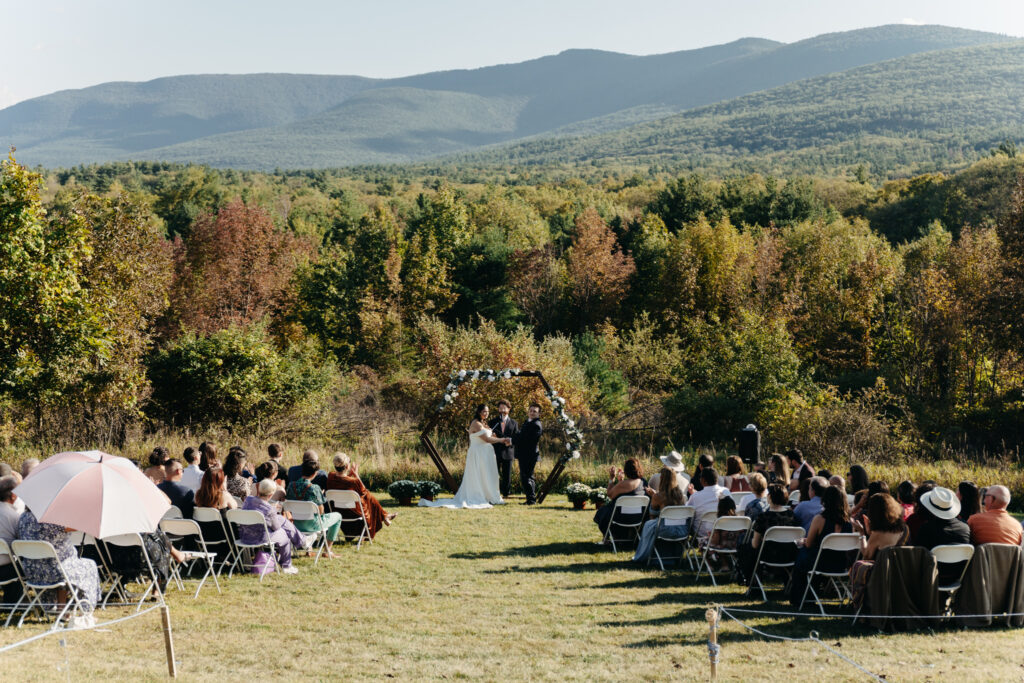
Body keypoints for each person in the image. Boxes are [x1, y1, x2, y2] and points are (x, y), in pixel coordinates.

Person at [16, 508, 101, 619]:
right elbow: (73, 527)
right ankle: (85, 609)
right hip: (55, 572)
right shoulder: (53, 519)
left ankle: (62, 609)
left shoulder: (23, 518)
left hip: (32, 572)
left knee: (63, 564)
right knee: (90, 565)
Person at [421, 404, 508, 509]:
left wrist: (495, 437)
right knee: (478, 475)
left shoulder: (484, 423)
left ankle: (489, 495)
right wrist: (502, 440)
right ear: (479, 412)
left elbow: (490, 437)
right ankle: (478, 495)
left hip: (486, 453)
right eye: (484, 411)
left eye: (488, 411)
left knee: (487, 474)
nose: (486, 413)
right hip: (478, 453)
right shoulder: (476, 423)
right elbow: (486, 439)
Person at [789, 485, 852, 607]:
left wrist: (803, 541)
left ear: (825, 500)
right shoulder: (849, 522)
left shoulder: (819, 519)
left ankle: (799, 598)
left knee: (801, 556)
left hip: (820, 563)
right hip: (841, 564)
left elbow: (809, 543)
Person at [849, 493, 909, 609]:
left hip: (883, 575)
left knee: (858, 566)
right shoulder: (905, 529)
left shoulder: (878, 534)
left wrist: (862, 533)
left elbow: (867, 555)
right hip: (903, 573)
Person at [241, 479, 308, 575]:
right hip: (260, 537)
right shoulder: (269, 509)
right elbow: (276, 528)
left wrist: (273, 513)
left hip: (245, 535)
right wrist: (273, 511)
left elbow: (259, 508)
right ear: (270, 495)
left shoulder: (248, 500)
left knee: (280, 518)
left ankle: (302, 540)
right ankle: (287, 565)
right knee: (284, 534)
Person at [737, 483, 797, 586]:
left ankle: (751, 581)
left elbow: (755, 544)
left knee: (745, 547)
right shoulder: (792, 516)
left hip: (768, 555)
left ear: (769, 497)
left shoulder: (763, 517)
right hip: (789, 555)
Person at [324, 452, 395, 538]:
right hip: (354, 513)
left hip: (339, 510)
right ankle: (384, 516)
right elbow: (363, 491)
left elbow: (342, 480)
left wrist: (351, 475)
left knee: (367, 496)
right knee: (368, 496)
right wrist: (356, 474)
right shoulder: (354, 481)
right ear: (346, 466)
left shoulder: (331, 476)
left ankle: (385, 516)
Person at [286, 460, 343, 556]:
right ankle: (327, 550)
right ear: (315, 473)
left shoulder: (291, 485)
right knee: (338, 516)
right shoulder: (314, 488)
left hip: (296, 523)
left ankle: (310, 550)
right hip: (312, 524)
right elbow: (321, 511)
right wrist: (319, 494)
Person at [632, 467, 686, 563]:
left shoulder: (658, 496)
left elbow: (652, 516)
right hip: (681, 529)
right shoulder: (681, 495)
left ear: (662, 479)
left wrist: (654, 496)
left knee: (648, 524)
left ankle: (645, 554)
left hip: (665, 530)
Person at [593, 458, 646, 536]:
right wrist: (621, 481)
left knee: (602, 511)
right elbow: (630, 493)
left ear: (626, 470)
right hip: (638, 517)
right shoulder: (643, 482)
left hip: (621, 517)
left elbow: (610, 494)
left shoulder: (623, 484)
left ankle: (607, 537)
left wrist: (612, 478)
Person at [511, 403, 543, 505]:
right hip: (524, 454)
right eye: (531, 411)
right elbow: (521, 434)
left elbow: (525, 439)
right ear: (528, 411)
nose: (532, 413)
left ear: (539, 414)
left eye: (535, 411)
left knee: (527, 476)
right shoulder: (528, 422)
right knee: (526, 476)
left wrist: (511, 440)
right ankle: (530, 498)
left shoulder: (536, 425)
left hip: (529, 455)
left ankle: (531, 500)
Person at [0, 476, 24, 605]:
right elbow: (22, 542)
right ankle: (13, 604)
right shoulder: (14, 516)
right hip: (6, 569)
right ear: (13, 495)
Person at [687, 468, 728, 540]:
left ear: (703, 480)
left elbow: (687, 513)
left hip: (702, 533)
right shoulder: (726, 492)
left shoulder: (695, 497)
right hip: (722, 530)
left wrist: (695, 495)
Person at [489, 399, 518, 499]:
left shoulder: (514, 423)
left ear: (509, 409)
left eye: (504, 408)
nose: (502, 410)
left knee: (507, 475)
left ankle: (506, 493)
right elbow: (489, 435)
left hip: (508, 451)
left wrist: (510, 442)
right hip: (495, 451)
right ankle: (494, 492)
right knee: (494, 473)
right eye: (500, 408)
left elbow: (516, 436)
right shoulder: (493, 422)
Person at [705, 496, 742, 571]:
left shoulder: (720, 521)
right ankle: (725, 564)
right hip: (737, 545)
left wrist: (711, 536)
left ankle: (711, 566)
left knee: (703, 542)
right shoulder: (740, 519)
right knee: (722, 543)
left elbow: (715, 541)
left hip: (723, 546)